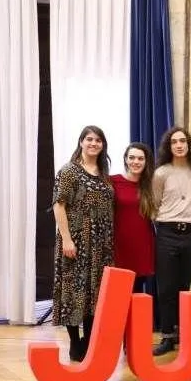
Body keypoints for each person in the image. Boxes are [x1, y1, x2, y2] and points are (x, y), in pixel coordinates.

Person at [52, 125, 115, 362]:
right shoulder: (69, 171)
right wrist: (67, 239)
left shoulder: (104, 173)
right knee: (73, 291)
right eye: (89, 139)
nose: (93, 143)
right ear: (81, 142)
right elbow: (59, 205)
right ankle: (74, 343)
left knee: (95, 294)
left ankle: (89, 342)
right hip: (76, 242)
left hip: (101, 245)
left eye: (98, 140)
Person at [152, 127, 191, 356]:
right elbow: (154, 205)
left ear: (189, 145)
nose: (179, 145)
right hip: (166, 232)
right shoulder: (161, 173)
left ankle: (188, 334)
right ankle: (167, 335)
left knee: (190, 287)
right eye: (174, 141)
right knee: (166, 287)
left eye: (183, 141)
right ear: (169, 146)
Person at [112, 142, 156, 295]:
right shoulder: (113, 181)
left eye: (140, 158)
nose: (136, 162)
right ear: (125, 159)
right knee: (118, 294)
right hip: (119, 246)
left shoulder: (151, 185)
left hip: (142, 246)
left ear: (146, 161)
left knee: (136, 293)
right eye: (132, 157)